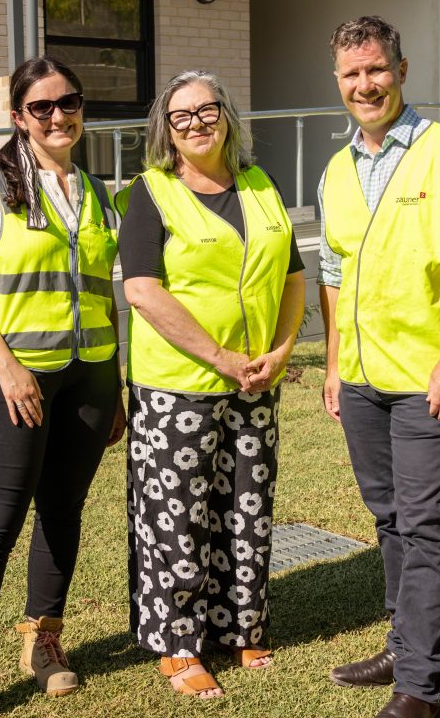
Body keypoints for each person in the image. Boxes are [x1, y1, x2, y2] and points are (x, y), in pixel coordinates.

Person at [0, 56, 126, 718]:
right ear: (19, 118)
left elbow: (102, 292)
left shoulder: (94, 190)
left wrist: (114, 381)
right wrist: (8, 367)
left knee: (63, 511)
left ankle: (43, 641)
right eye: (42, 108)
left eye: (69, 103)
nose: (59, 116)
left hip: (90, 375)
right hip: (13, 377)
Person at [317, 16, 440, 718]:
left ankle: (420, 688)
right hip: (364, 379)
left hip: (431, 378)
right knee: (391, 518)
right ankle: (406, 642)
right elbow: (334, 268)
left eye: (376, 69)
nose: (365, 84)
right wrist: (335, 365)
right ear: (337, 81)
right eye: (351, 74)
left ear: (401, 67)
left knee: (426, 522)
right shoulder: (336, 169)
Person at [119, 70, 305, 699]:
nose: (196, 123)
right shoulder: (149, 193)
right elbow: (143, 290)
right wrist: (222, 357)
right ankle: (179, 642)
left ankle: (241, 624)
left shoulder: (260, 183)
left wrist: (279, 351)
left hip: (255, 380)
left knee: (247, 506)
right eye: (181, 116)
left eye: (206, 110)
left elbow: (294, 274)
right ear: (165, 131)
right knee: (178, 516)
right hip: (178, 385)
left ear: (226, 115)